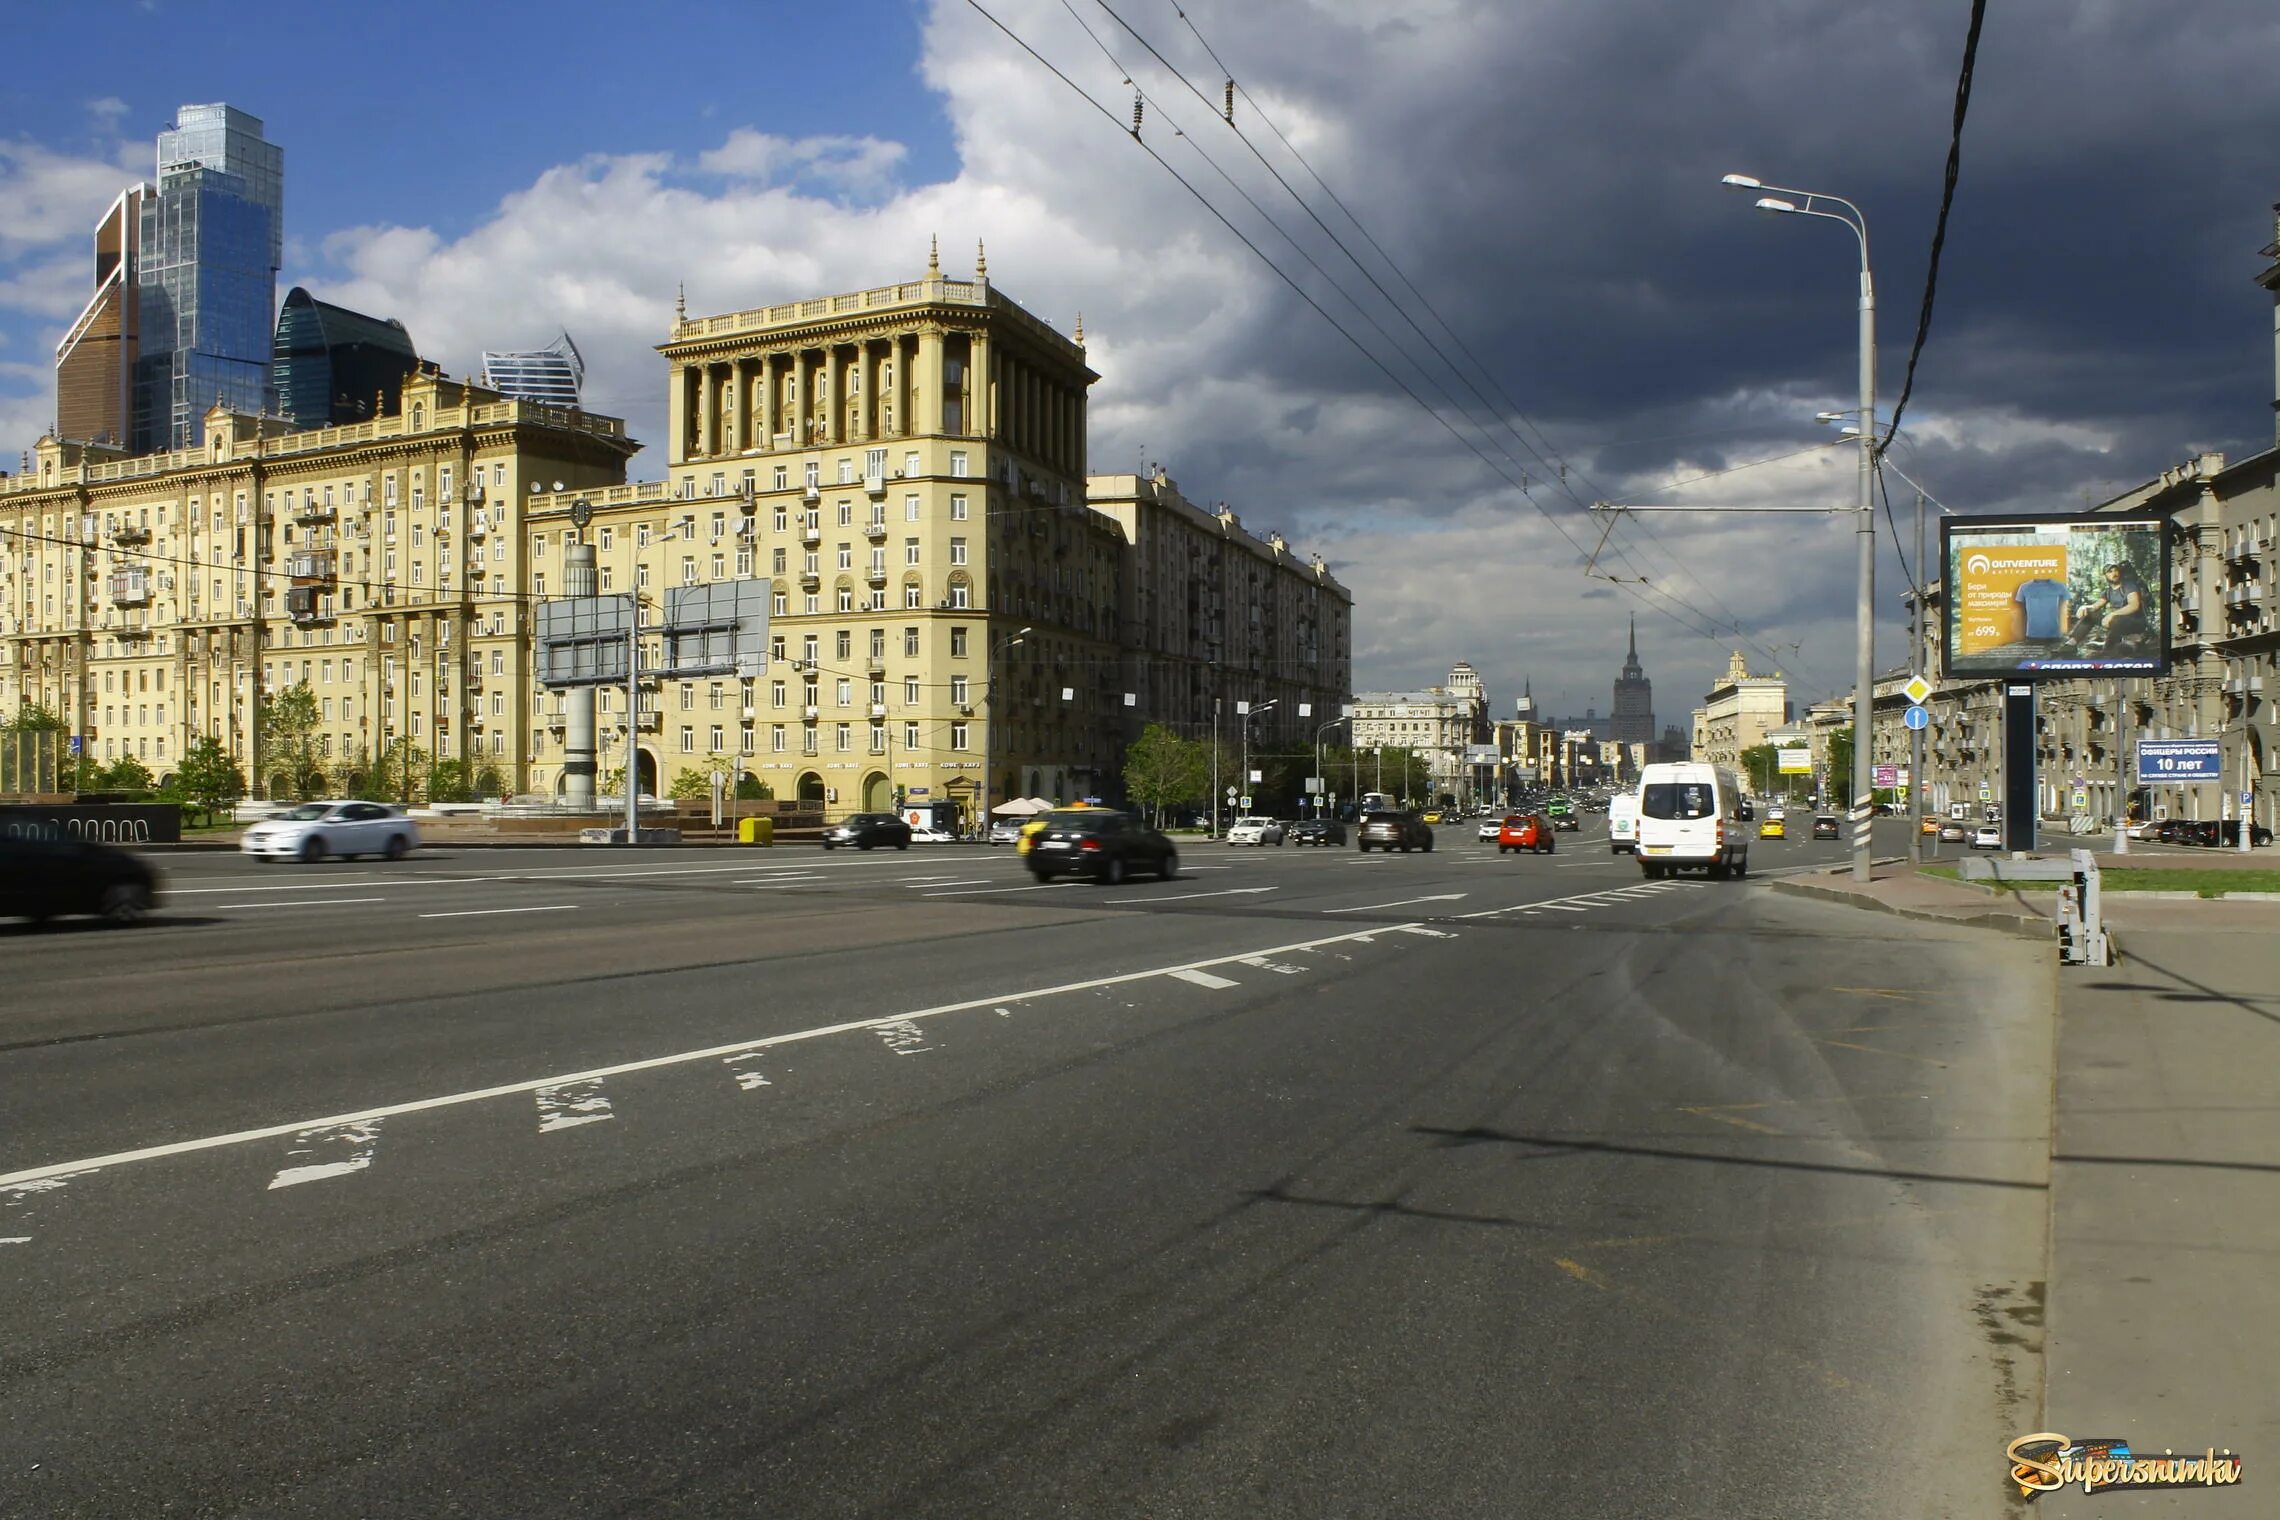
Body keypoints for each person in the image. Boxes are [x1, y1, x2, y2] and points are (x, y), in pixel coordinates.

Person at [2063, 562, 2148, 650]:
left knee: (2115, 621)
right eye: (2110, 572)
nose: (2114, 573)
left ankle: (2118, 644)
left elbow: (2134, 605)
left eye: (2116, 570)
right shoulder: (2108, 591)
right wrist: (2085, 608)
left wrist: (2112, 614)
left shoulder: (2129, 585)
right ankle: (2071, 644)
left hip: (2135, 622)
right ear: (2105, 576)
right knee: (2091, 614)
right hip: (2118, 622)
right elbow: (2095, 606)